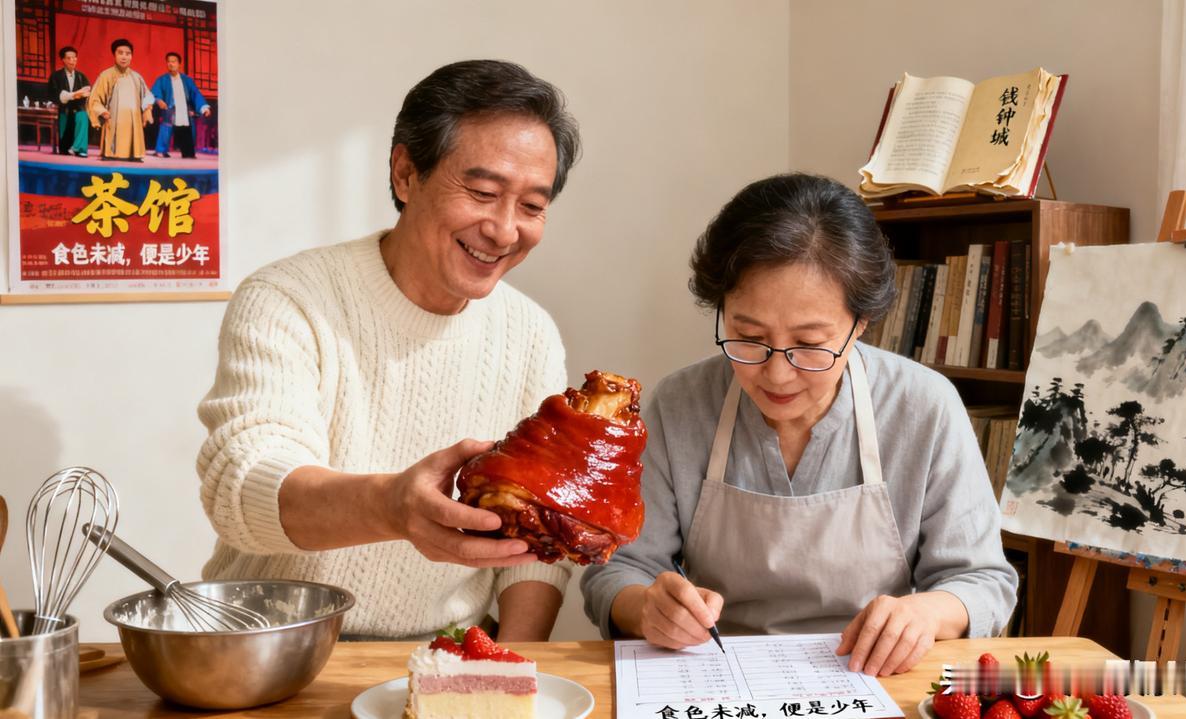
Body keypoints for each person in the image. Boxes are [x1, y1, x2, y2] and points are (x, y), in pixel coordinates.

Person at [197, 60, 580, 640]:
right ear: (406, 174)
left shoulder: (531, 333)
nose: (505, 230)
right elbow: (243, 489)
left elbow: (536, 535)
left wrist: (512, 664)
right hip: (269, 648)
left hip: (448, 653)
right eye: (483, 193)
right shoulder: (289, 298)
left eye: (531, 206)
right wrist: (391, 506)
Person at [581, 173, 1017, 675]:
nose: (777, 373)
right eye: (748, 337)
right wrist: (647, 608)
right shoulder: (680, 403)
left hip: (872, 674)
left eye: (809, 345)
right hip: (715, 671)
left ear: (861, 324)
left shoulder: (923, 406)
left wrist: (924, 614)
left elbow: (983, 581)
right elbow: (619, 568)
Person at [88, 38, 154, 162]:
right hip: (114, 121)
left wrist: (148, 108)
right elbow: (95, 99)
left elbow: (147, 96)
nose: (124, 57)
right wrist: (102, 111)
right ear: (114, 55)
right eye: (120, 53)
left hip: (133, 122)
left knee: (133, 155)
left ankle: (134, 154)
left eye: (128, 54)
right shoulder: (106, 75)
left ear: (131, 56)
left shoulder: (136, 77)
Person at [151, 52, 211, 159]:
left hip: (184, 110)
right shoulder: (162, 79)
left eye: (173, 61)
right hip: (170, 110)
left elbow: (195, 94)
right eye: (168, 62)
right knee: (166, 126)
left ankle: (188, 153)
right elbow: (156, 92)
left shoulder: (187, 80)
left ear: (179, 64)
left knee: (187, 129)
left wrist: (203, 107)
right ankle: (161, 150)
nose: (171, 64)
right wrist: (159, 100)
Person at [47, 46, 90, 157]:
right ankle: (69, 148)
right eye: (69, 58)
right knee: (64, 148)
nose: (72, 61)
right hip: (63, 108)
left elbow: (87, 92)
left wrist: (78, 95)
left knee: (83, 115)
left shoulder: (81, 76)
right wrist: (74, 95)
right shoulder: (56, 76)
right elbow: (54, 94)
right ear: (63, 60)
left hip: (78, 107)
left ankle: (79, 148)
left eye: (74, 58)